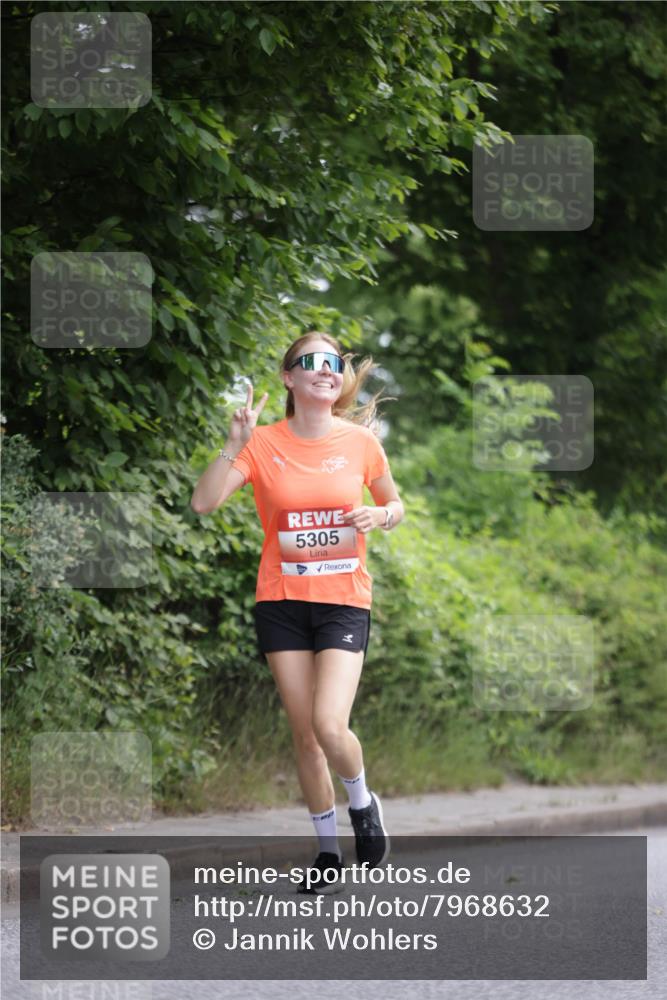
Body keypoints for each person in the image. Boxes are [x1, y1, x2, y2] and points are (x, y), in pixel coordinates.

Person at [191, 331, 404, 894]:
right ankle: (329, 855)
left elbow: (394, 504)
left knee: (329, 724)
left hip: (342, 602)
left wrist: (378, 519)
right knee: (304, 735)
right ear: (289, 378)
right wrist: (234, 443)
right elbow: (204, 502)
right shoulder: (262, 443)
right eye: (311, 362)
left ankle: (363, 803)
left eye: (334, 363)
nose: (326, 370)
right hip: (281, 603)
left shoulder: (360, 443)